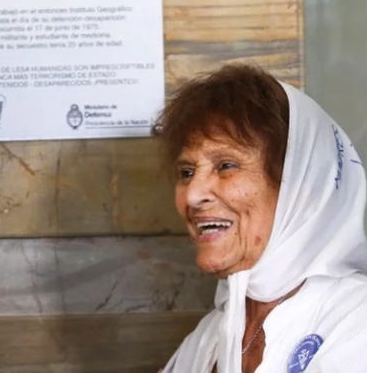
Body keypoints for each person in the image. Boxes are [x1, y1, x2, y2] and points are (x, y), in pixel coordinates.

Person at [156, 64, 367, 373]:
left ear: (300, 185)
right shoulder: (210, 335)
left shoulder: (356, 321)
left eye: (226, 166)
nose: (192, 195)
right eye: (187, 172)